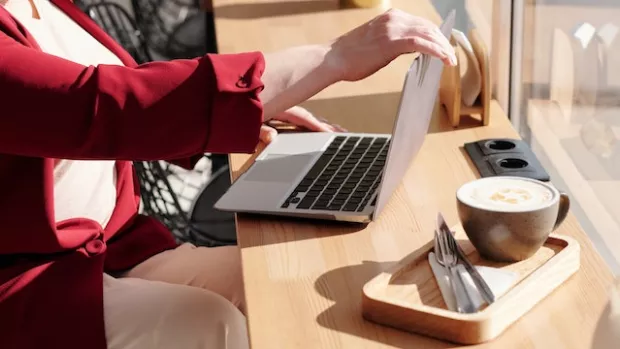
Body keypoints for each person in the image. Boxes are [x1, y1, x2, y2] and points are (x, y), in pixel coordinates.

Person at [0, 0, 457, 348]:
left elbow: (114, 88)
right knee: (212, 325)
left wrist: (258, 102)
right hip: (35, 283)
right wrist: (333, 57)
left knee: (286, 281)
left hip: (112, 247)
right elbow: (100, 107)